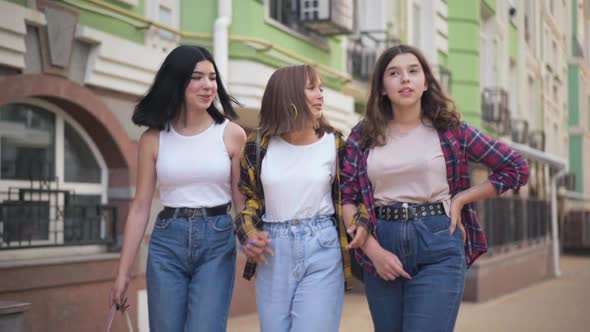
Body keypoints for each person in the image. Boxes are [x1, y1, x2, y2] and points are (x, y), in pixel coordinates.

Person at [340, 44, 529, 332]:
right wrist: (372, 251)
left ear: (425, 83)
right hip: (381, 242)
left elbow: (515, 167)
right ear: (381, 88)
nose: (405, 79)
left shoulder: (450, 130)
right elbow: (349, 197)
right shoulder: (362, 135)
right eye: (394, 73)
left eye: (413, 71)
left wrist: (462, 199)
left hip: (438, 241)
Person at [109, 45, 246, 332]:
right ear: (177, 81)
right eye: (197, 77)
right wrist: (123, 273)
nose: (208, 85)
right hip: (166, 241)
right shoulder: (153, 138)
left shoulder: (232, 134)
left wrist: (252, 243)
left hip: (217, 239)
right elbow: (140, 207)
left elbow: (241, 203)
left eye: (212, 77)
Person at [234, 64, 359, 332]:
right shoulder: (257, 147)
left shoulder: (335, 144)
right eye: (311, 88)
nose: (320, 95)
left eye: (321, 88)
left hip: (322, 246)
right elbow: (251, 201)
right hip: (273, 251)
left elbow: (350, 197)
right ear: (288, 94)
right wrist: (249, 234)